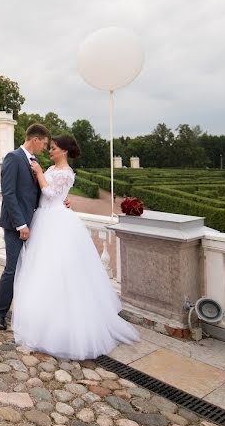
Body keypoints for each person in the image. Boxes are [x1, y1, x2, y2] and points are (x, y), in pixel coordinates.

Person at [12, 134, 139, 359]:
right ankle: (43, 319)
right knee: (43, 272)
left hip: (56, 222)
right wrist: (49, 181)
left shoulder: (65, 172)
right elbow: (52, 195)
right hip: (45, 219)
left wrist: (41, 174)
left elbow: (50, 192)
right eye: (49, 147)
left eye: (53, 148)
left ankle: (65, 327)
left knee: (62, 272)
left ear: (63, 151)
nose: (50, 151)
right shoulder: (51, 169)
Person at [0, 124, 51, 330]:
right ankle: (0, 313)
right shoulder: (13, 157)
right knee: (11, 269)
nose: (44, 148)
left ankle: (30, 312)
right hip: (15, 225)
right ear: (35, 139)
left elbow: (36, 193)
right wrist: (21, 224)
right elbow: (8, 194)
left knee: (34, 269)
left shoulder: (35, 162)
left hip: (33, 223)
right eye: (44, 144)